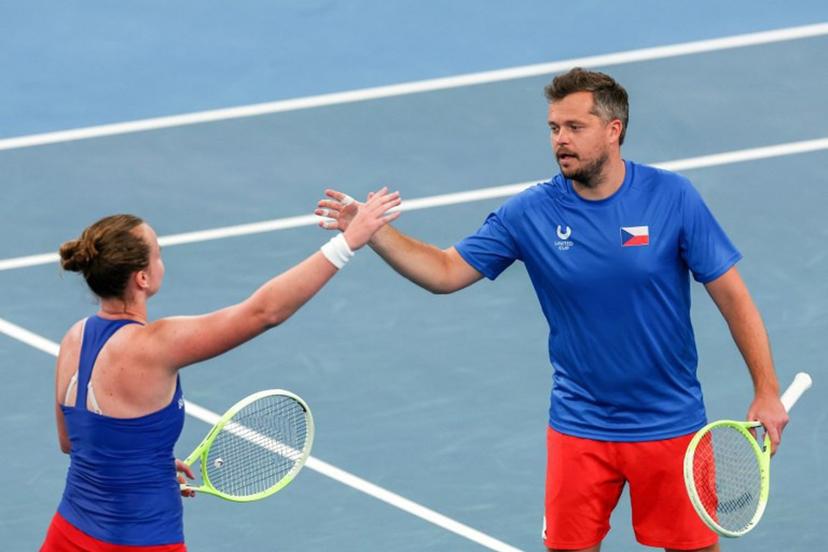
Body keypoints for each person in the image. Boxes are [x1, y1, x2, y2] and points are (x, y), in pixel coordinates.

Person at [315, 68, 789, 552]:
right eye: (554, 128)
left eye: (574, 128)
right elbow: (443, 271)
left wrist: (766, 389)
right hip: (580, 425)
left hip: (670, 424)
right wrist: (372, 232)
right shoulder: (531, 212)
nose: (560, 140)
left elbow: (734, 297)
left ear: (613, 130)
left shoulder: (673, 198)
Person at [41, 188, 400, 551]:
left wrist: (144, 463)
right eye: (158, 255)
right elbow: (264, 312)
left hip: (67, 536)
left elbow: (72, 442)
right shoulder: (157, 344)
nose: (162, 261)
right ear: (142, 279)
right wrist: (348, 242)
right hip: (142, 543)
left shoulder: (76, 338)